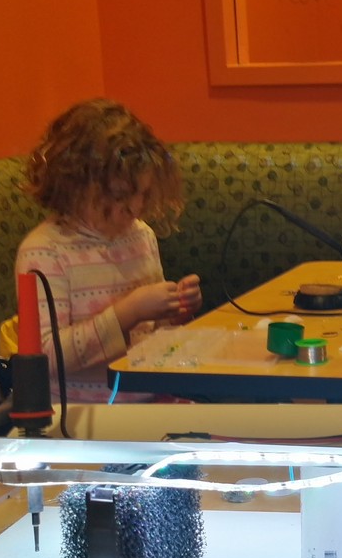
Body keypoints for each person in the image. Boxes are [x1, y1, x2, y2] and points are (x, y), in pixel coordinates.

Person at [14, 98, 202, 403]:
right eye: (119, 195)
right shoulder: (45, 252)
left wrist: (175, 312)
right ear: (74, 185)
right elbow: (45, 359)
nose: (136, 207)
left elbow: (150, 338)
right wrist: (129, 311)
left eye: (142, 193)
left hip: (148, 401)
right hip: (82, 418)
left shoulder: (140, 236)